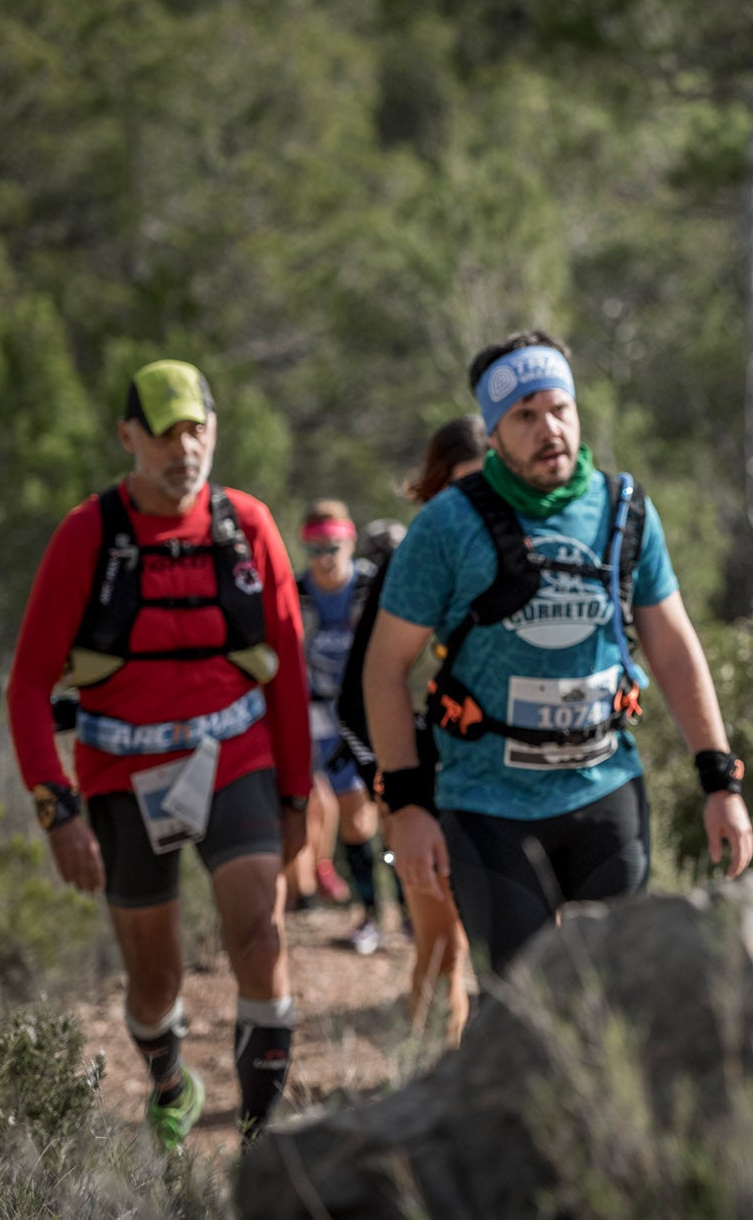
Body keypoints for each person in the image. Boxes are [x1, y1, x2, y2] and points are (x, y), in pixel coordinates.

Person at [363, 332, 753, 975]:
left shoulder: (625, 512)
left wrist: (720, 780)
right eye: (524, 415)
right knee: (525, 1005)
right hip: (488, 802)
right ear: (492, 432)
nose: (549, 429)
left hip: (606, 789)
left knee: (622, 996)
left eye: (560, 409)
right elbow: (384, 667)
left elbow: (675, 650)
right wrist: (407, 807)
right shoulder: (446, 526)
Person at [5, 360, 310, 1148]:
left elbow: (289, 668)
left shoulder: (248, 523)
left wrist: (298, 797)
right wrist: (56, 809)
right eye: (167, 432)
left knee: (261, 936)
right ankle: (171, 1080)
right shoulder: (88, 534)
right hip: (120, 771)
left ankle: (260, 1138)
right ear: (128, 436)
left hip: (233, 756)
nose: (186, 447)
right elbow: (28, 685)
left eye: (199, 427)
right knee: (155, 980)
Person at [332, 417, 486, 1041]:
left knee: (507, 943)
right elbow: (354, 696)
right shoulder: (412, 559)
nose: (481, 501)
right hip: (419, 786)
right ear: (434, 487)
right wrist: (392, 783)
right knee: (442, 944)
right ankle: (425, 1075)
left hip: (498, 777)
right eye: (464, 486)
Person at [297, 500, 384, 953]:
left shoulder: (372, 584)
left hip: (371, 711)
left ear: (350, 541)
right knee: (347, 812)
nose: (325, 557)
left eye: (333, 546)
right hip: (317, 716)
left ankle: (404, 911)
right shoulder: (296, 593)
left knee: (380, 810)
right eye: (314, 548)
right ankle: (368, 912)